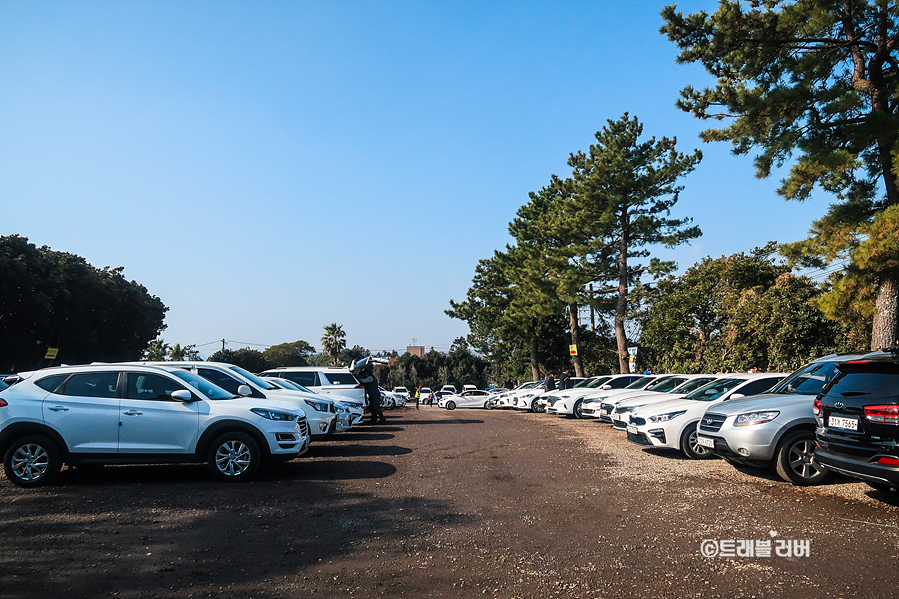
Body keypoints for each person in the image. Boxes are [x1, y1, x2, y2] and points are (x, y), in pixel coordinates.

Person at [353, 357, 386, 424]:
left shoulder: (370, 378)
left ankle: (382, 418)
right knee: (372, 407)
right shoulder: (370, 377)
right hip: (372, 394)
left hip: (375, 394)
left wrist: (357, 377)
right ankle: (374, 419)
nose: (364, 374)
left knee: (376, 407)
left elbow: (363, 381)